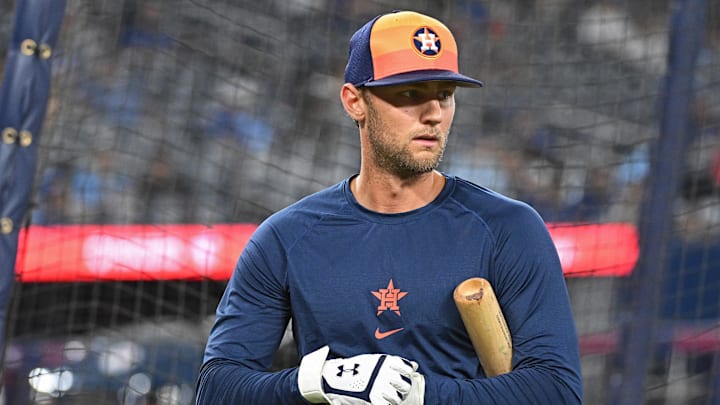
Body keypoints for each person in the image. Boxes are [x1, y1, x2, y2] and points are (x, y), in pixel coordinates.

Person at [195, 10, 583, 404]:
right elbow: (216, 389)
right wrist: (318, 382)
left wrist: (419, 395)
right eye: (411, 94)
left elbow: (559, 390)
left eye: (444, 95)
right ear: (354, 101)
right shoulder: (286, 237)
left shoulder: (508, 228)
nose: (433, 113)